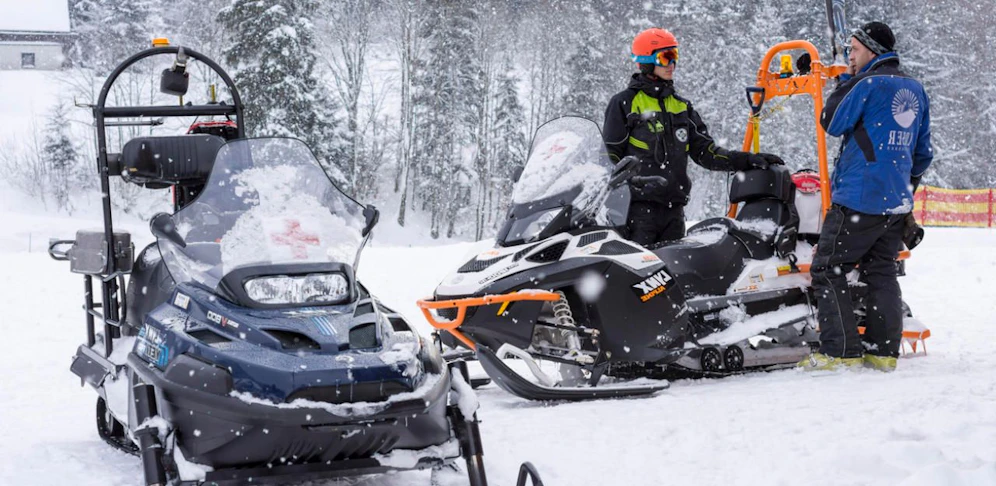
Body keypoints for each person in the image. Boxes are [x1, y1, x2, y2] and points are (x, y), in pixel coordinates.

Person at [800, 21, 933, 372]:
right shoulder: (915, 88)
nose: (849, 58)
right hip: (895, 203)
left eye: (854, 51)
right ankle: (882, 352)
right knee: (881, 271)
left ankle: (840, 352)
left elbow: (830, 120)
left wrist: (844, 84)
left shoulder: (866, 83)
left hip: (859, 198)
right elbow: (922, 154)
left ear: (872, 51)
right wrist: (904, 188)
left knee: (827, 267)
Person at [603, 27, 784, 247]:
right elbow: (608, 158)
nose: (672, 64)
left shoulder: (681, 106)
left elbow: (706, 153)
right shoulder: (625, 103)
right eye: (665, 57)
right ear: (646, 61)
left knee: (675, 277)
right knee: (637, 277)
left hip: (674, 211)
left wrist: (747, 160)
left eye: (675, 56)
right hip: (637, 211)